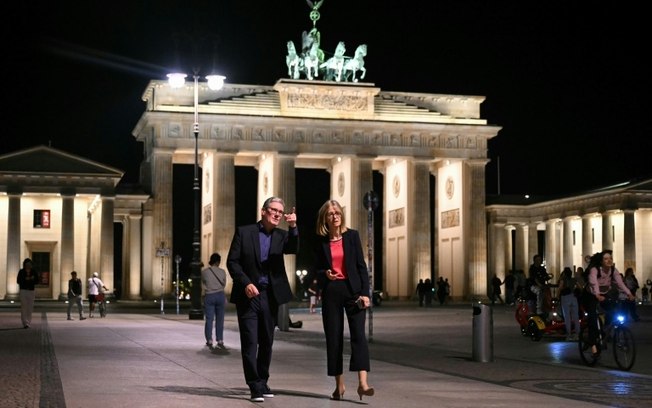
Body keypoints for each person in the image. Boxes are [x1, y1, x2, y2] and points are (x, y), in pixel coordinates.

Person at [226, 196, 298, 403]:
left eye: (280, 212)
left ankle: (263, 380)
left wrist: (293, 227)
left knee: (267, 341)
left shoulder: (282, 236)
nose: (277, 214)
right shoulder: (244, 232)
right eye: (273, 210)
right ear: (263, 211)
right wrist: (245, 283)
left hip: (270, 296)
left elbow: (293, 248)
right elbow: (233, 262)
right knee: (250, 342)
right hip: (248, 295)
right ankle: (254, 385)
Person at [313, 199, 374, 402]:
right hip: (332, 292)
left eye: (337, 212)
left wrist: (365, 293)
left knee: (358, 336)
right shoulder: (320, 241)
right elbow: (317, 270)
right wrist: (326, 274)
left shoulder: (352, 236)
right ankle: (339, 386)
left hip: (353, 291)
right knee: (334, 339)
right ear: (325, 218)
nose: (335, 216)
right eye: (331, 213)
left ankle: (363, 384)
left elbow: (360, 267)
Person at [581, 250, 634, 357]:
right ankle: (593, 346)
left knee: (614, 310)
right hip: (590, 295)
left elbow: (620, 283)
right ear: (601, 261)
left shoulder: (613, 270)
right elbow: (593, 283)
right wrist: (597, 295)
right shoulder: (595, 270)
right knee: (593, 318)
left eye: (610, 258)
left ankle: (605, 330)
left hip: (603, 294)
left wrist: (629, 294)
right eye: (606, 259)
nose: (609, 260)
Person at [202, 252, 227, 350]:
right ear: (218, 261)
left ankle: (209, 339)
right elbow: (224, 284)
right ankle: (220, 339)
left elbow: (203, 282)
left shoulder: (205, 272)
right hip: (220, 295)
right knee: (220, 319)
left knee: (209, 319)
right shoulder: (222, 271)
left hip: (209, 296)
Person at [558, 267, 579, 340]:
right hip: (573, 297)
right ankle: (577, 334)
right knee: (575, 316)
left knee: (567, 317)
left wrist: (557, 296)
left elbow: (560, 288)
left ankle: (569, 334)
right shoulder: (573, 280)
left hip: (565, 297)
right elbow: (579, 287)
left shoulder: (563, 279)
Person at [17, 258, 39, 328]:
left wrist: (32, 279)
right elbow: (18, 281)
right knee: (24, 306)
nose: (28, 266)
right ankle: (24, 322)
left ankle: (28, 322)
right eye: (27, 264)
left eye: (29, 264)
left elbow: (37, 281)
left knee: (30, 307)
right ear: (24, 265)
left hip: (31, 291)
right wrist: (25, 279)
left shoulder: (34, 272)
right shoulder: (21, 271)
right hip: (23, 290)